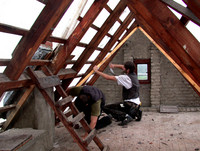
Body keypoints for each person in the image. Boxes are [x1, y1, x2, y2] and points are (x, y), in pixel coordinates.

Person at [93, 61, 142, 126]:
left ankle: (125, 116)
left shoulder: (126, 78)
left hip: (129, 105)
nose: (123, 68)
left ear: (128, 70)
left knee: (106, 108)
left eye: (124, 68)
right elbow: (122, 66)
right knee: (119, 107)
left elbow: (108, 77)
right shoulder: (133, 75)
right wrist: (114, 65)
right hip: (137, 104)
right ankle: (136, 112)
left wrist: (96, 71)